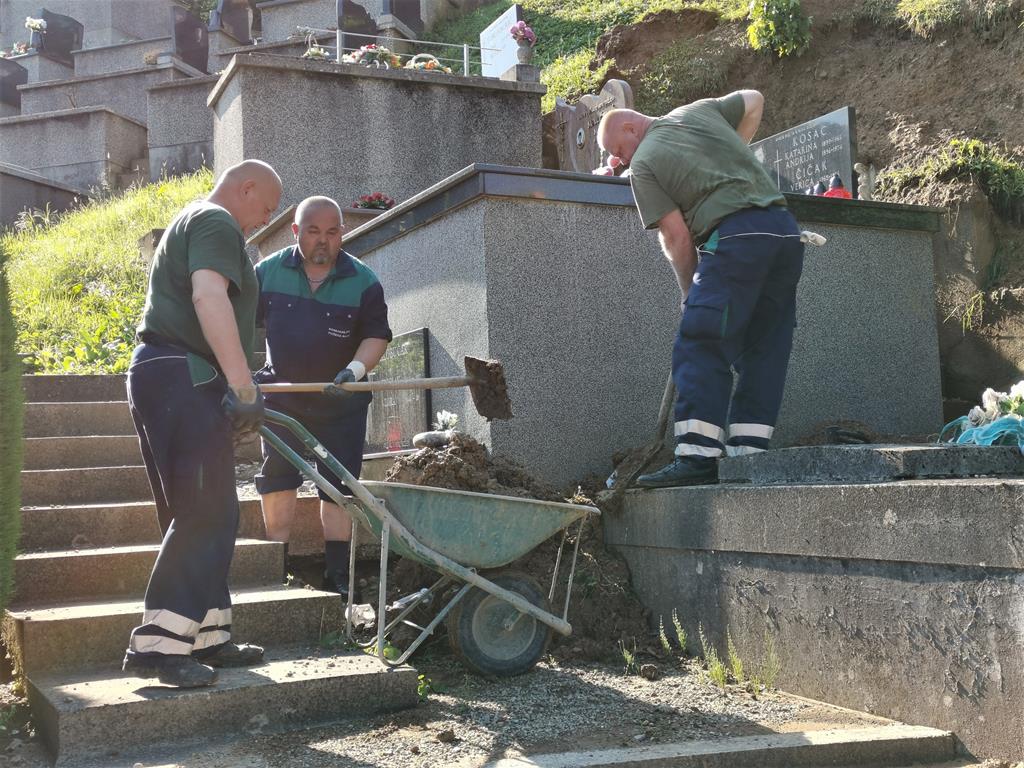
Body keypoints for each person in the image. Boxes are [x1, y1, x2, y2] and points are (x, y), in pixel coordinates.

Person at [122, 159, 283, 687]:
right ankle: (158, 648)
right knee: (204, 510)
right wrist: (241, 387)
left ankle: (207, 634)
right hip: (181, 374)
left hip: (170, 375)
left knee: (211, 509)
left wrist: (236, 383)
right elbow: (208, 296)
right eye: (267, 206)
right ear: (247, 187)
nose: (267, 218)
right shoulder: (215, 222)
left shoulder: (193, 221)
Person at [597, 91, 805, 488]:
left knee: (701, 340)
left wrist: (689, 292)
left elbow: (676, 239)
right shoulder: (697, 111)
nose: (620, 161)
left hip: (737, 239)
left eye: (618, 149)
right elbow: (755, 99)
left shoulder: (644, 164)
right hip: (782, 233)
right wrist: (732, 155)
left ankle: (698, 455)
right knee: (763, 345)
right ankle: (748, 457)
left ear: (630, 125)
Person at [254, 196, 391, 598]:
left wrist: (355, 371)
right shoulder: (267, 273)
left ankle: (337, 576)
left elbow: (376, 335)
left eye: (332, 232)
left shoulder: (362, 280)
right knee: (278, 478)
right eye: (313, 231)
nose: (323, 241)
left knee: (339, 484)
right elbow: (234, 319)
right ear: (296, 231)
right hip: (282, 396)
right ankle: (276, 566)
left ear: (341, 233)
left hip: (340, 399)